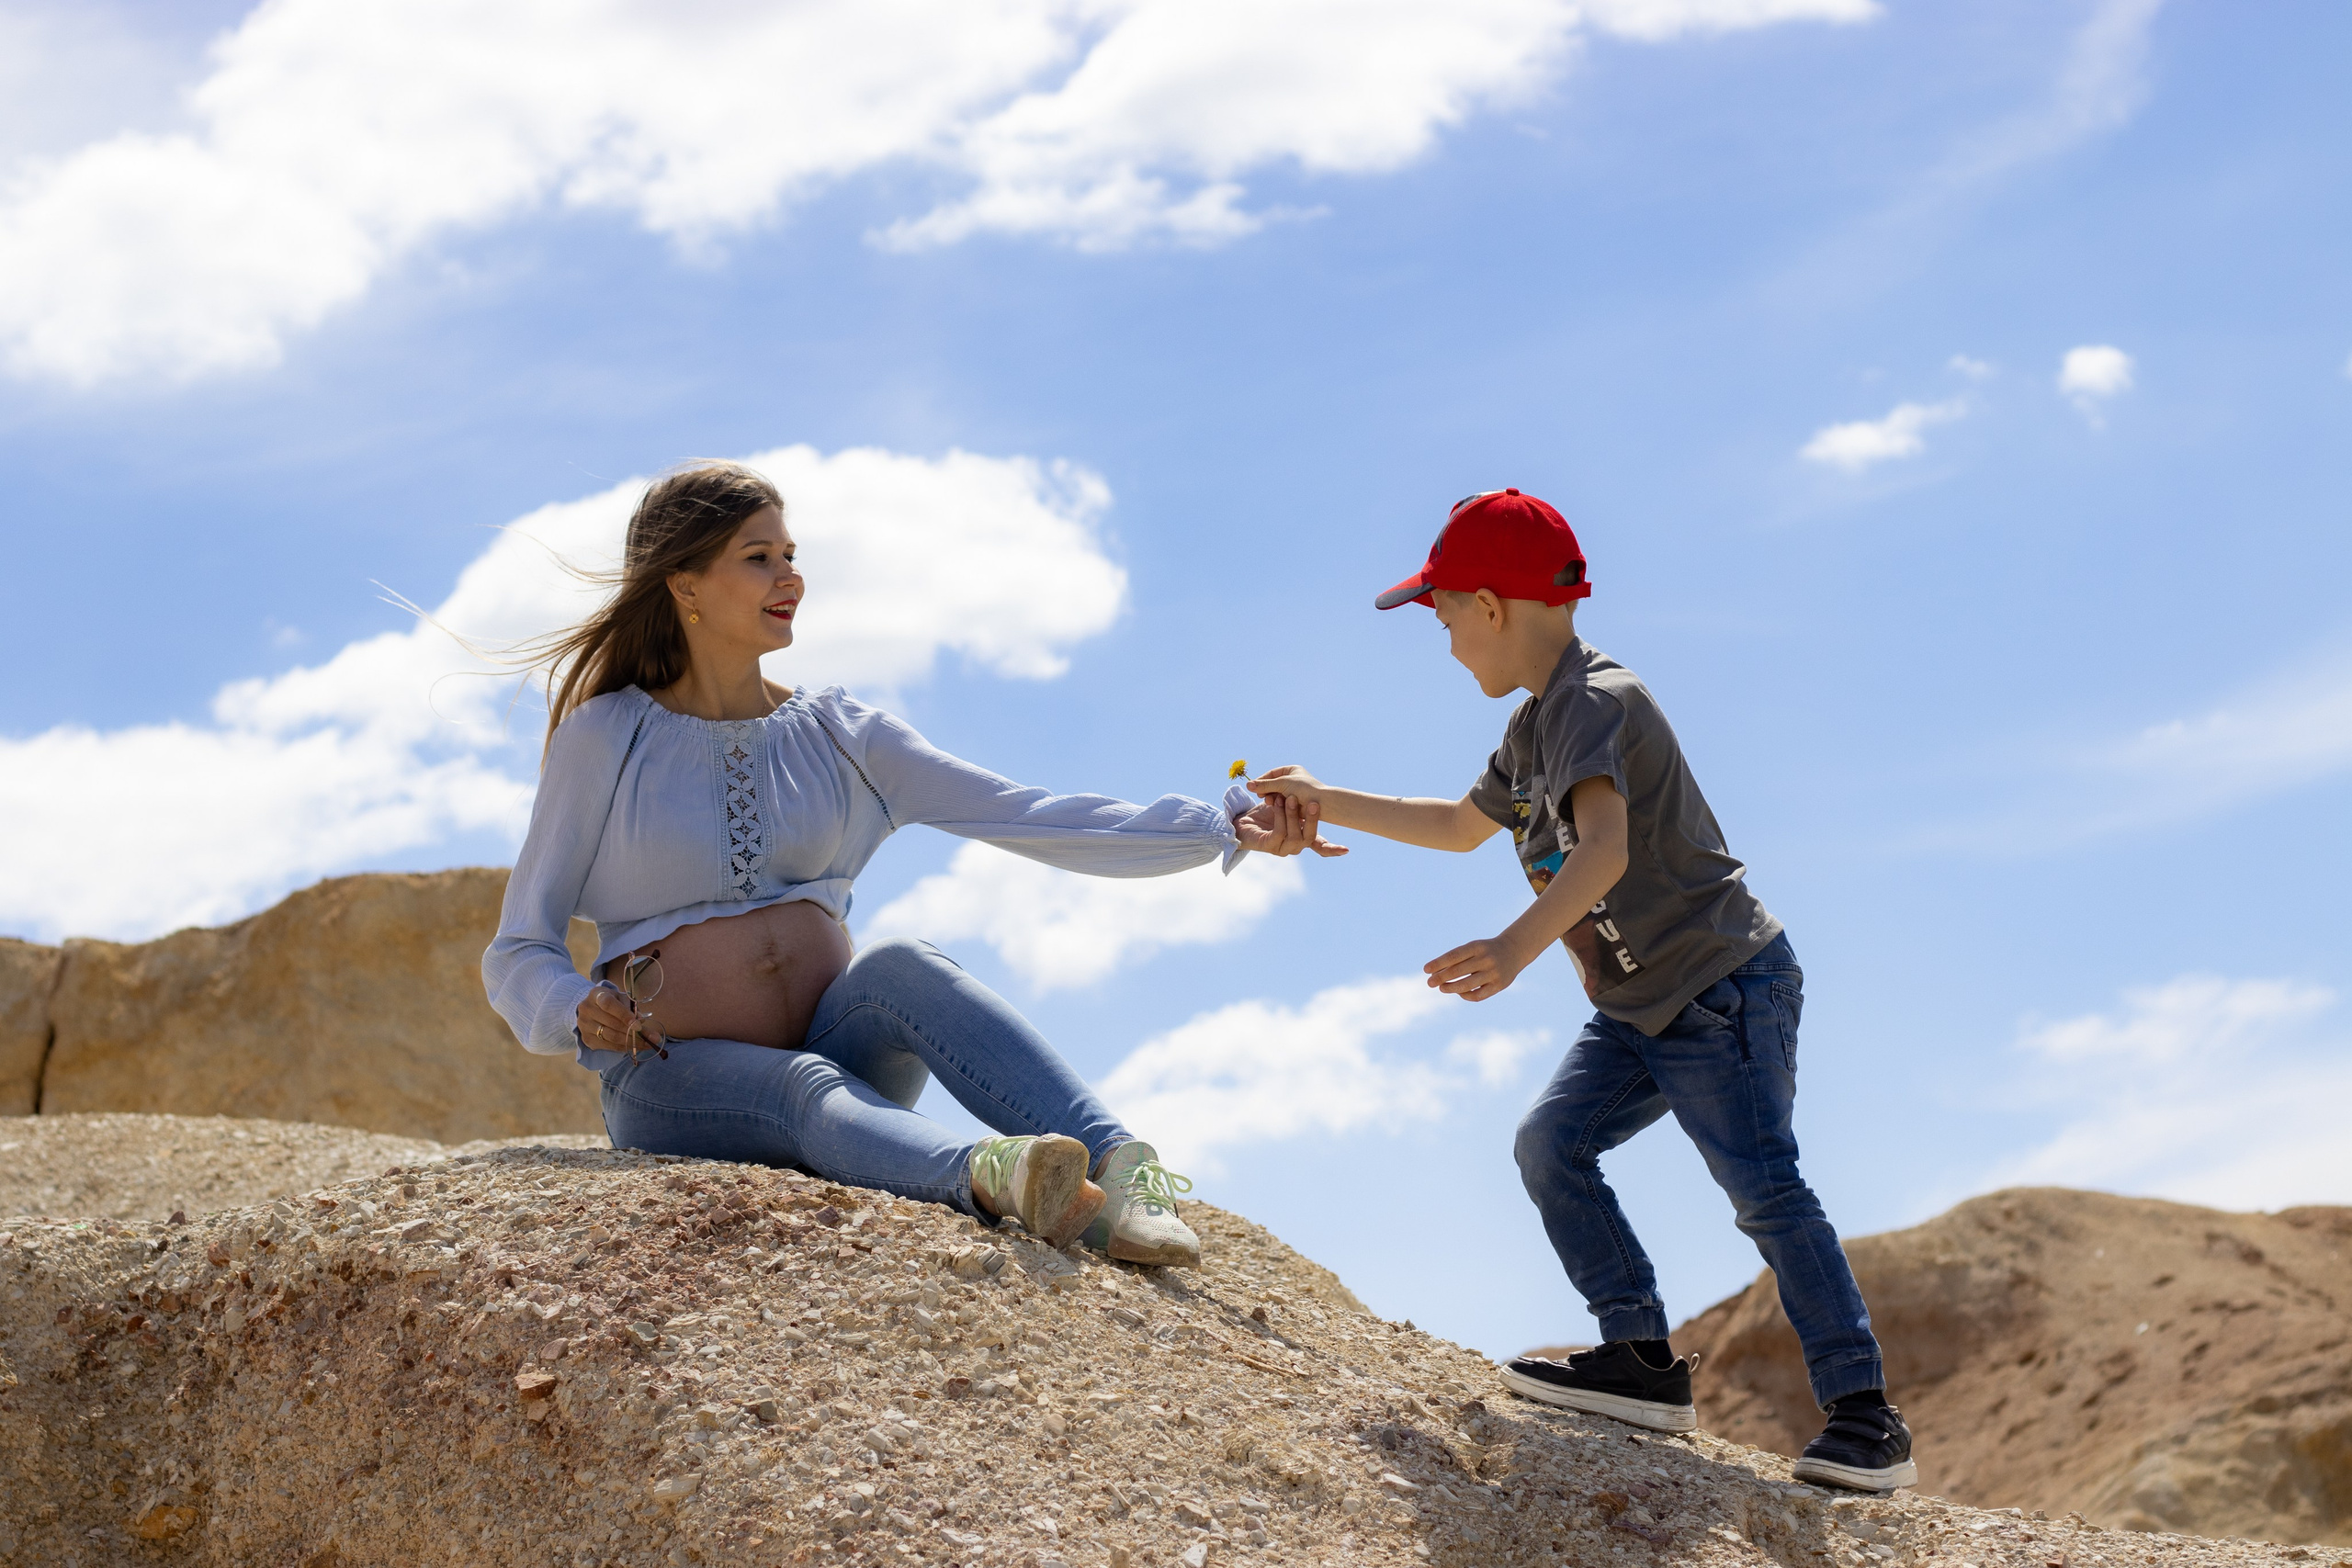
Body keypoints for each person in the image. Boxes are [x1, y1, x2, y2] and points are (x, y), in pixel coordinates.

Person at [482, 460, 1329, 1267]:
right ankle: (994, 1174)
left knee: (906, 965)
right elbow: (520, 944)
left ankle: (1120, 1170)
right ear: (684, 584)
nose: (790, 576)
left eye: (791, 555)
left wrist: (1221, 829)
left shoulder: (843, 735)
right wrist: (572, 1006)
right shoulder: (606, 735)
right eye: (758, 557)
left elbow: (1022, 810)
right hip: (673, 1077)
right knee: (799, 1084)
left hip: (844, 1060)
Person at [1246, 489, 1916, 1491]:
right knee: (1549, 1144)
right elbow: (1455, 825)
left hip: (1722, 988)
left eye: (1441, 620)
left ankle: (1867, 1419)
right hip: (1640, 1009)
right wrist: (1320, 795)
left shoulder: (1596, 702)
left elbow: (1603, 850)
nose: (1445, 644)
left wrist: (1513, 950)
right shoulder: (1532, 731)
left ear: (1488, 605)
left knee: (1762, 1187)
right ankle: (1640, 1360)